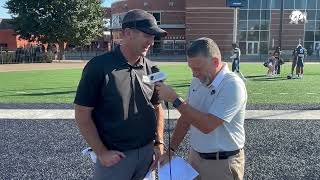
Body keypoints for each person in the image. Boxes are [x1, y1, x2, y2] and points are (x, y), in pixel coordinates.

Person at [74, 9, 167, 180]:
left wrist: (159, 142)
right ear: (127, 33)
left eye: (154, 36)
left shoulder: (152, 68)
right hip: (116, 158)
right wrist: (101, 152)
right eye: (147, 35)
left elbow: (157, 108)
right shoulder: (98, 67)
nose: (151, 42)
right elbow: (81, 113)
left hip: (147, 156)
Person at [156, 37, 247, 180]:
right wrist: (171, 150)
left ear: (215, 62)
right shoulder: (198, 81)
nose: (194, 74)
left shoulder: (232, 85)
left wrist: (175, 100)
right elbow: (186, 118)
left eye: (197, 68)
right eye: (191, 68)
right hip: (195, 157)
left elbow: (207, 125)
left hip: (221, 163)